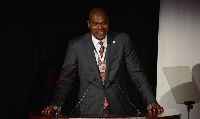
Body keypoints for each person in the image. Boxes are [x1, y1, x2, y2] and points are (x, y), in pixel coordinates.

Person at [42, 7, 164, 114]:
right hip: (88, 110)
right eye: (95, 24)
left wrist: (151, 101)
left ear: (108, 23)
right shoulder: (76, 45)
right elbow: (66, 79)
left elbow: (137, 74)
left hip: (119, 109)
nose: (100, 27)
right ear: (88, 24)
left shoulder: (122, 40)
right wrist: (56, 104)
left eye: (104, 23)